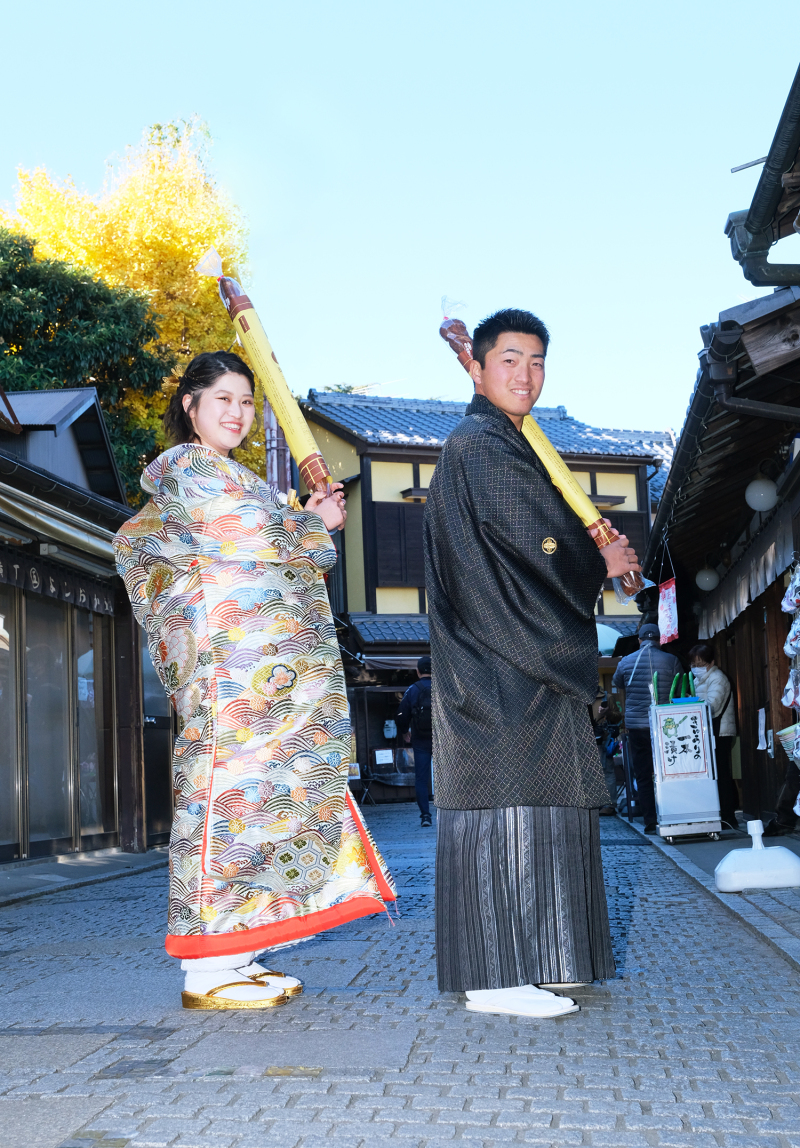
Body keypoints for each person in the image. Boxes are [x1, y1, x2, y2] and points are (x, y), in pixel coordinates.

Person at [114, 351, 396, 1010]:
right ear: (191, 406)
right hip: (232, 681)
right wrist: (312, 524)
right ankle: (204, 968)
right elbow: (248, 539)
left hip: (257, 684)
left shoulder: (229, 476)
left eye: (246, 402)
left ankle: (238, 949)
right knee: (226, 803)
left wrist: (301, 521)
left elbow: (271, 544)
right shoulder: (189, 470)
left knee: (263, 805)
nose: (238, 413)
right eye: (224, 400)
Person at [424, 308, 640, 1020]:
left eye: (537, 361)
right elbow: (535, 540)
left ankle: (542, 958)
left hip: (517, 658)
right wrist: (598, 558)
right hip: (498, 664)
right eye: (510, 360)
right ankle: (493, 975)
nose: (525, 374)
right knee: (506, 810)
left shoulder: (499, 440)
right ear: (479, 367)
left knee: (541, 812)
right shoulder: (480, 446)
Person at [612, 624, 682, 834]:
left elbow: (617, 686)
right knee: (669, 770)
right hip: (665, 725)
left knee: (643, 774)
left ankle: (650, 821)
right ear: (660, 640)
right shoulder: (672, 661)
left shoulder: (626, 662)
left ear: (640, 640)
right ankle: (671, 815)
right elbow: (678, 691)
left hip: (637, 725)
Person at [687, 643, 739, 830]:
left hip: (721, 732)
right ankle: (719, 814)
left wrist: (691, 704)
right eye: (693, 664)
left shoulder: (718, 678)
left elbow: (712, 707)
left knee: (722, 774)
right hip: (708, 732)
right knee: (715, 774)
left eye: (700, 663)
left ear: (711, 663)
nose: (696, 668)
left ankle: (727, 816)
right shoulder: (697, 680)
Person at [395, 655, 433, 827]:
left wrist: (404, 731)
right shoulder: (444, 688)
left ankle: (425, 815)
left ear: (417, 671)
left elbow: (401, 714)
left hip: (420, 740)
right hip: (443, 741)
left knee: (421, 779)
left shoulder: (413, 689)